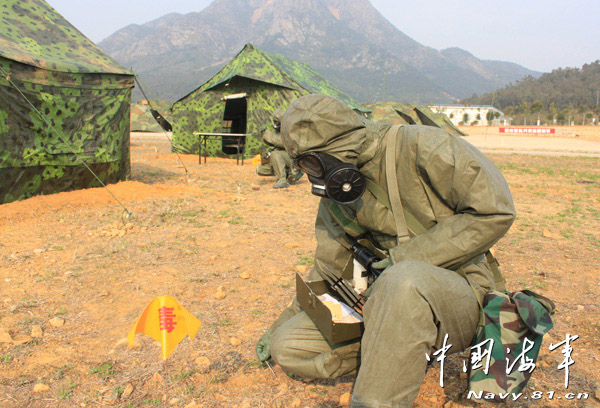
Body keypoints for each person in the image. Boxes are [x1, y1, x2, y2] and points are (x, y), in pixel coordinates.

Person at [255, 95, 516, 407]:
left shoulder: (425, 147)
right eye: (303, 165)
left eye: (315, 163)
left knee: (403, 281)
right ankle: (398, 351)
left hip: (457, 295)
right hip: (378, 302)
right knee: (290, 345)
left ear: (340, 146)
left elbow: (495, 211)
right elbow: (326, 272)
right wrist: (275, 329)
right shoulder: (336, 191)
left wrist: (403, 259)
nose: (314, 176)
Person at [256, 109, 303, 188]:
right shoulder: (278, 130)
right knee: (260, 169)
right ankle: (286, 173)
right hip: (284, 159)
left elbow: (278, 141)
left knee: (275, 154)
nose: (275, 124)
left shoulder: (290, 130)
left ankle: (282, 180)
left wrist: (266, 133)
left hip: (293, 160)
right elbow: (270, 142)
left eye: (277, 122)